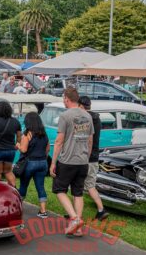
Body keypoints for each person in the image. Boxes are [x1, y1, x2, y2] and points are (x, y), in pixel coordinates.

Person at [50, 87, 94, 236]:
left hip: (67, 160)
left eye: (63, 98)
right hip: (82, 161)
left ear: (67, 99)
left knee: (59, 190)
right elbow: (90, 140)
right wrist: (86, 159)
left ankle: (75, 219)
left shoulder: (65, 116)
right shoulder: (87, 116)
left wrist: (53, 162)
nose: (63, 101)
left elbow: (58, 141)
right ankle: (78, 228)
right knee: (78, 193)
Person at [78, 96, 109, 221]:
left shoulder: (85, 119)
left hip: (85, 157)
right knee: (89, 184)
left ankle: (99, 210)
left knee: (81, 185)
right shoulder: (97, 118)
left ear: (81, 106)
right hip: (94, 156)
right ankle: (100, 210)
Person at [16, 112, 50, 218]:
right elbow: (47, 149)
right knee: (40, 186)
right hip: (43, 163)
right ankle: (43, 211)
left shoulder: (27, 135)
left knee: (23, 186)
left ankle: (18, 208)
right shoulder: (44, 134)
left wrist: (18, 145)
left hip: (30, 163)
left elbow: (24, 149)